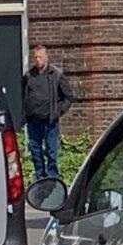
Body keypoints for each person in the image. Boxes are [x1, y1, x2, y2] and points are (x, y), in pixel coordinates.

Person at [22, 45, 75, 181]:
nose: (38, 60)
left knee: (52, 152)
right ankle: (40, 178)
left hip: (50, 121)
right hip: (34, 121)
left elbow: (68, 96)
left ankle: (53, 179)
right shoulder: (28, 76)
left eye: (40, 57)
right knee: (35, 151)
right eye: (36, 57)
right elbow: (24, 96)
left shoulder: (56, 75)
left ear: (46, 57)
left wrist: (58, 111)